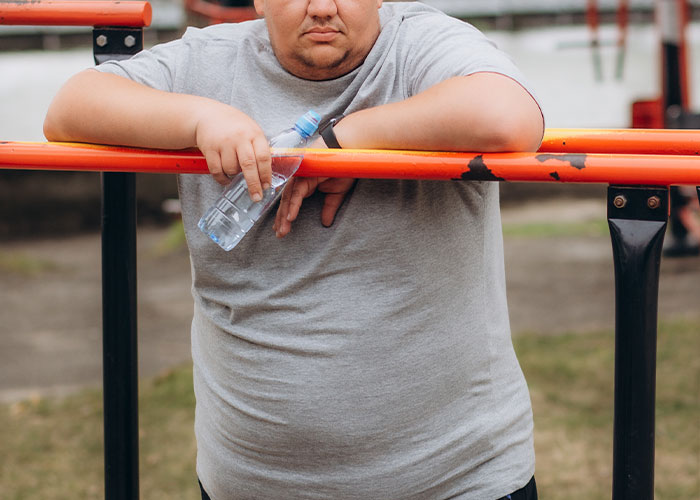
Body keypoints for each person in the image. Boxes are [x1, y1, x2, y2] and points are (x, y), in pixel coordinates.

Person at [44, 1, 544, 498]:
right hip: (251, 483)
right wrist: (200, 118)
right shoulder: (207, 62)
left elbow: (506, 116)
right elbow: (69, 109)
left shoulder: (421, 45)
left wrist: (345, 140)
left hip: (458, 481)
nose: (322, 8)